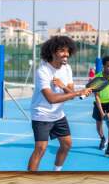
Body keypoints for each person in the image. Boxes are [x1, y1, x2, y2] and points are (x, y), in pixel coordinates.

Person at [28, 36, 92, 171]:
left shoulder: (67, 68)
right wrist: (77, 93)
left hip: (58, 114)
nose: (66, 54)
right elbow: (51, 98)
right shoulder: (43, 71)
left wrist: (64, 87)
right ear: (52, 52)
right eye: (62, 51)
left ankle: (56, 172)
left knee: (67, 144)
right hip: (42, 114)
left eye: (68, 51)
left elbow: (70, 93)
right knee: (41, 148)